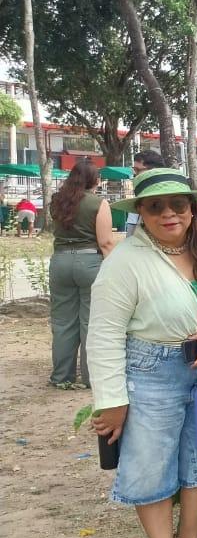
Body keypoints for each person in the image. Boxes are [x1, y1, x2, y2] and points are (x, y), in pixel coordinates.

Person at [87, 168, 197, 538]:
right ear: (141, 212)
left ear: (192, 208)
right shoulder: (125, 262)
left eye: (178, 204)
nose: (169, 213)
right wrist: (113, 401)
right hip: (149, 369)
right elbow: (103, 335)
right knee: (151, 462)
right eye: (156, 206)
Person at [48, 161, 114, 388]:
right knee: (91, 322)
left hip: (60, 260)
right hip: (89, 262)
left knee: (63, 321)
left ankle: (61, 377)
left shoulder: (58, 200)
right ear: (95, 180)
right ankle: (90, 377)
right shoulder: (98, 203)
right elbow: (105, 242)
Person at [124, 149, 166, 235]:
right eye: (134, 170)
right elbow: (130, 235)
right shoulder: (138, 197)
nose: (135, 174)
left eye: (138, 170)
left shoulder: (170, 196)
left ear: (154, 170)